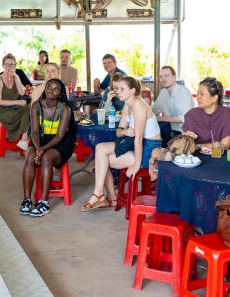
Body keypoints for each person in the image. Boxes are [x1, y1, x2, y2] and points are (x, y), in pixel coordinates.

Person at [80, 76, 161, 211]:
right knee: (100, 148)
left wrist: (136, 164)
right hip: (135, 143)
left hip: (150, 148)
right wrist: (125, 132)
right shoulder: (127, 106)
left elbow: (139, 137)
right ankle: (102, 195)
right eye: (117, 88)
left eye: (122, 89)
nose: (118, 91)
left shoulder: (138, 105)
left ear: (132, 91)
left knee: (101, 160)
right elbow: (118, 131)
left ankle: (104, 196)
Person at [20, 78, 77, 217]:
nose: (51, 90)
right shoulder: (36, 106)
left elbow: (59, 136)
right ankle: (27, 200)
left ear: (60, 93)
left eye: (55, 89)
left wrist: (43, 149)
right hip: (40, 138)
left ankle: (43, 203)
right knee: (30, 156)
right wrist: (38, 147)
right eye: (49, 87)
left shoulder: (65, 108)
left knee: (46, 158)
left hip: (62, 141)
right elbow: (34, 131)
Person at [182, 77, 230, 151]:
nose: (197, 97)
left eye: (202, 94)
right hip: (196, 159)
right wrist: (185, 138)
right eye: (197, 93)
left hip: (221, 158)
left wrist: (198, 146)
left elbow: (225, 145)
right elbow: (184, 144)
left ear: (214, 98)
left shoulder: (226, 115)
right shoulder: (191, 115)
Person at [0, 53, 30, 145]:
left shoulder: (15, 77)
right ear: (3, 66)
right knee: (25, 112)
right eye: (7, 64)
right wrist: (18, 101)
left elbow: (21, 93)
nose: (10, 67)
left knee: (28, 109)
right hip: (1, 111)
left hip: (12, 108)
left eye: (12, 64)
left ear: (15, 66)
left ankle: (24, 138)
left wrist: (17, 77)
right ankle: (23, 139)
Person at [151, 65, 193, 145]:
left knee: (162, 124)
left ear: (174, 77)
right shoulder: (163, 92)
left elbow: (184, 118)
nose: (163, 79)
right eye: (161, 77)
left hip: (184, 133)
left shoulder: (183, 92)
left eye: (166, 76)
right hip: (169, 131)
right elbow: (153, 110)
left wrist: (161, 118)